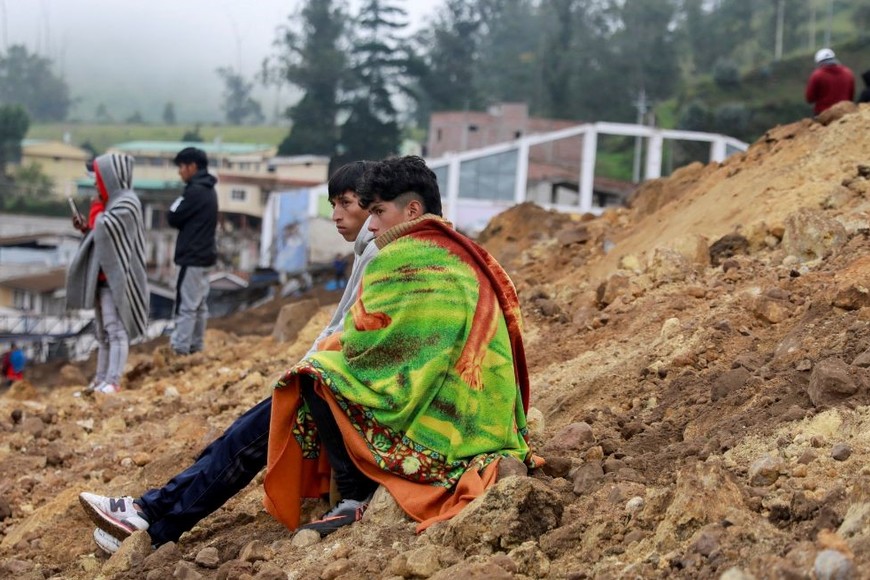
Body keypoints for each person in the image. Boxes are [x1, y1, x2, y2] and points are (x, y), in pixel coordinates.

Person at [78, 161, 379, 554]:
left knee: (242, 442)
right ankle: (148, 518)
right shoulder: (369, 251)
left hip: (335, 385)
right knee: (241, 437)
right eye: (332, 205)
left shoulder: (376, 253)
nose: (336, 215)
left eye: (346, 204)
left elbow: (348, 334)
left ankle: (149, 518)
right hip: (326, 377)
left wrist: (308, 368)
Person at [263, 155, 536, 537]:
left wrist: (332, 345)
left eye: (377, 211)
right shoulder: (461, 252)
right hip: (488, 413)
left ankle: (355, 497)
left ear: (412, 209)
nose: (371, 225)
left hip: (441, 419)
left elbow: (364, 348)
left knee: (313, 374)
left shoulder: (402, 256)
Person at [66, 153, 148, 394]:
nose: (95, 184)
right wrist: (86, 227)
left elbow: (104, 229)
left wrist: (96, 209)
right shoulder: (112, 203)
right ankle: (101, 379)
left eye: (99, 178)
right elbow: (98, 233)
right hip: (102, 278)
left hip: (118, 280)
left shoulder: (126, 203)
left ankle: (113, 381)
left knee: (116, 331)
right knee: (102, 333)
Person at [168, 147, 218, 356]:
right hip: (205, 256)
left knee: (187, 304)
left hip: (193, 257)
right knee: (198, 305)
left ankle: (181, 348)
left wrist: (176, 205)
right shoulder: (209, 189)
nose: (180, 171)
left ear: (192, 166)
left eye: (182, 166)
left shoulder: (194, 191)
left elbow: (174, 217)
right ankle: (196, 346)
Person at [805, 47, 855, 116]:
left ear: (819, 62)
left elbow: (810, 98)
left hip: (823, 115)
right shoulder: (848, 73)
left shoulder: (817, 75)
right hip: (845, 114)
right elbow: (851, 97)